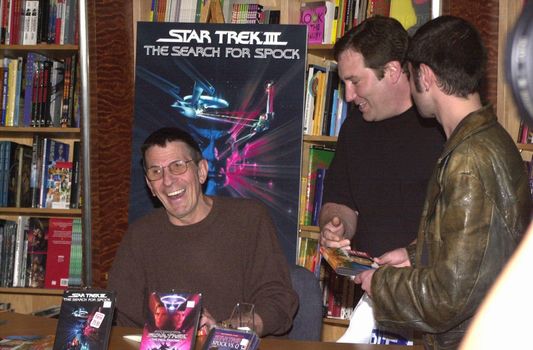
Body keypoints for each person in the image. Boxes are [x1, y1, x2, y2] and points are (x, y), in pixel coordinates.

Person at [354, 16, 532, 349]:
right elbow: (478, 254)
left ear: (426, 75)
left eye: (409, 74)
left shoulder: (469, 161)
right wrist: (414, 256)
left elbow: (450, 296)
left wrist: (381, 284)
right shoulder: (488, 140)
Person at [107, 127, 297, 337]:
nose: (168, 180)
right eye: (156, 172)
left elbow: (278, 303)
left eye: (178, 166)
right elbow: (121, 320)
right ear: (150, 185)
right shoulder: (139, 235)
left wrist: (224, 330)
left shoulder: (249, 219)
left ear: (202, 171)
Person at [319, 15, 445, 257]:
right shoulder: (354, 127)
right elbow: (339, 200)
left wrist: (415, 255)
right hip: (370, 286)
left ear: (392, 71)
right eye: (344, 83)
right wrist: (336, 226)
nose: (348, 96)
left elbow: (462, 227)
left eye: (355, 81)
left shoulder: (440, 128)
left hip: (428, 287)